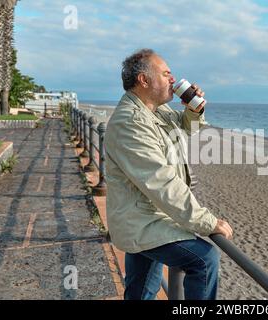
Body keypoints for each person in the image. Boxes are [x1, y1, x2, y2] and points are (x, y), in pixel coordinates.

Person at [104, 48, 233, 300]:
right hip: (144, 221)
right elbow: (161, 182)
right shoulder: (130, 122)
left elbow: (187, 127)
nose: (173, 80)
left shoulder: (153, 111)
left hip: (146, 217)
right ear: (144, 80)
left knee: (140, 292)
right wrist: (206, 222)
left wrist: (193, 109)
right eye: (166, 74)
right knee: (204, 260)